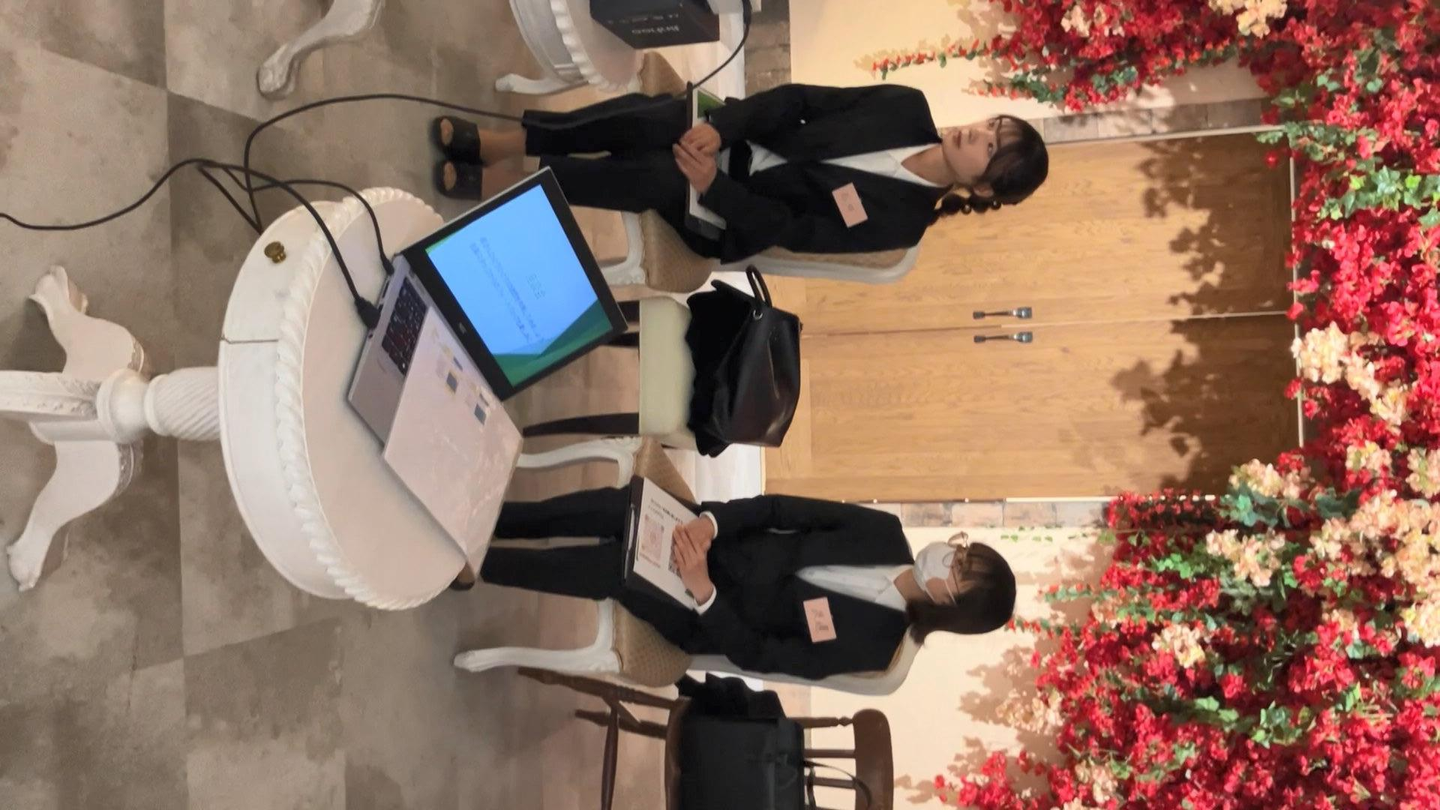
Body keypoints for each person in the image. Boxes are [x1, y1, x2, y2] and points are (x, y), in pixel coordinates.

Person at [429, 83, 1049, 263]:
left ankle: (511, 182)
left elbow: (795, 231)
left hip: (732, 210)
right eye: (992, 125)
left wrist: (715, 186)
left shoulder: (905, 222)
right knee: (656, 119)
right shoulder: (906, 106)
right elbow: (801, 100)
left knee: (659, 179)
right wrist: (724, 128)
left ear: (983, 186)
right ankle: (504, 144)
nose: (978, 134)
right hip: (740, 136)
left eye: (991, 150)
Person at [458, 487, 1017, 680]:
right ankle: (485, 518)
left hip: (706, 610)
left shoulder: (877, 646)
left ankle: (470, 564)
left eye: (959, 573)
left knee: (612, 569)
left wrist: (704, 593)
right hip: (717, 540)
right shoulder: (883, 532)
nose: (949, 556)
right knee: (616, 508)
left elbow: (761, 655)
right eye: (962, 552)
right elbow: (779, 509)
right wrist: (711, 523)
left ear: (952, 609)